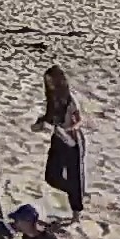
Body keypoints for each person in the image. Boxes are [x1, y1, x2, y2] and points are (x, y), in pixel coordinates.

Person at [36, 64, 85, 214]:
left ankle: (76, 209)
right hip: (58, 138)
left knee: (74, 175)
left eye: (51, 82)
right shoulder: (51, 100)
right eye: (47, 83)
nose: (50, 86)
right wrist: (40, 123)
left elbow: (79, 120)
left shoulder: (70, 99)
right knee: (51, 177)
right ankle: (73, 191)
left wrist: (72, 128)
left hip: (72, 142)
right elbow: (49, 119)